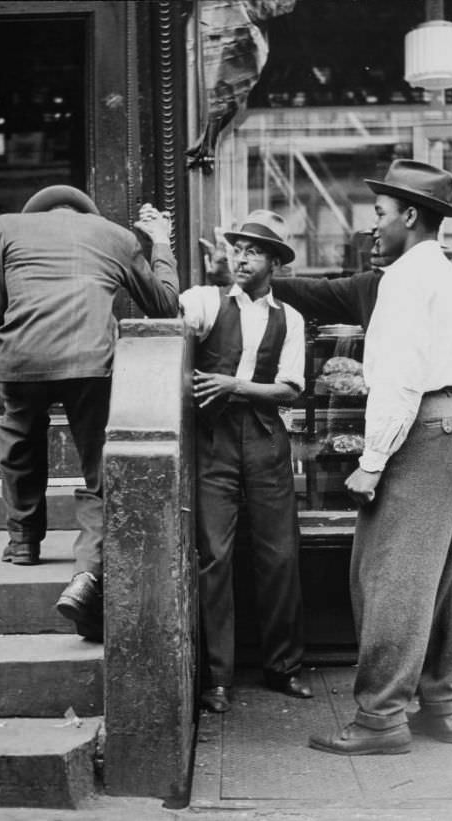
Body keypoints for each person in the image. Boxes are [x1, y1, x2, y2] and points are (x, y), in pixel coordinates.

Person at [271, 233, 452, 712]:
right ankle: (449, 691)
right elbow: (321, 292)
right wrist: (270, 281)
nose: (373, 251)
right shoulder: (389, 281)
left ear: (411, 229)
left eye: (380, 234)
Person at [291, 158, 452, 755]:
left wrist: (373, 459)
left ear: (409, 215)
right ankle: (445, 705)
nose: (372, 227)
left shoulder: (405, 278)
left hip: (426, 426)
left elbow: (400, 379)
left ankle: (380, 719)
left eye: (379, 214)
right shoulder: (446, 273)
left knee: (391, 575)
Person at [0, 185, 179, 641]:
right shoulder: (114, 235)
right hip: (91, 362)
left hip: (21, 358)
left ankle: (23, 542)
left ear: (40, 212)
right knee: (97, 467)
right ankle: (87, 571)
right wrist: (160, 242)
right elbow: (166, 305)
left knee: (19, 443)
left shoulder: (6, 227)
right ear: (85, 213)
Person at [165, 206, 312, 713]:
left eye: (253, 251)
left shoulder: (288, 318)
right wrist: (160, 250)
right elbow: (170, 318)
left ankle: (284, 666)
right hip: (215, 441)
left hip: (267, 439)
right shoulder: (205, 301)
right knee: (214, 556)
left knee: (279, 554)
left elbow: (290, 390)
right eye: (237, 248)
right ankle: (217, 677)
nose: (242, 257)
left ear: (274, 261)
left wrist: (235, 386)